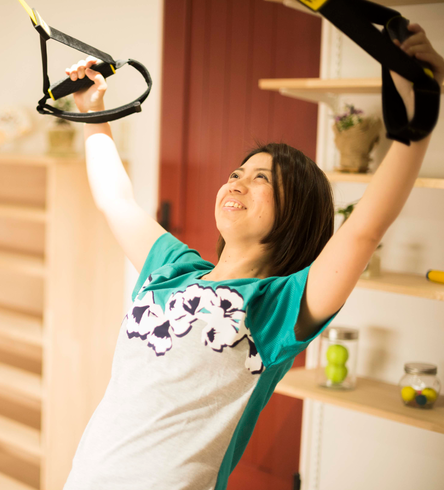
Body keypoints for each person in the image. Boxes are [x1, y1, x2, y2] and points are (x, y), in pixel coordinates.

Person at [62, 23, 443, 490]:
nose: (238, 182)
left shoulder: (278, 306)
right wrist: (92, 112)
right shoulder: (172, 270)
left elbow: (364, 231)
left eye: (262, 178)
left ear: (297, 212)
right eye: (237, 173)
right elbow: (115, 200)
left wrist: (421, 112)